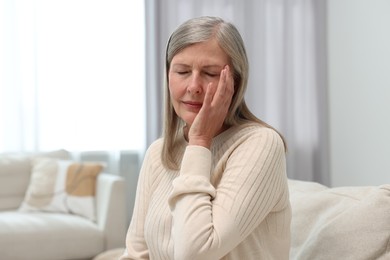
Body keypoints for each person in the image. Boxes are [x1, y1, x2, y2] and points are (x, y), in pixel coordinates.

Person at [120, 16, 291, 260]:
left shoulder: (261, 144)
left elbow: (195, 254)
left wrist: (200, 141)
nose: (193, 86)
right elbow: (137, 253)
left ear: (235, 82)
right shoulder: (158, 153)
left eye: (210, 73)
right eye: (182, 71)